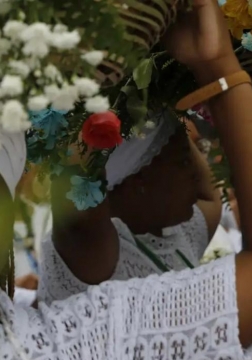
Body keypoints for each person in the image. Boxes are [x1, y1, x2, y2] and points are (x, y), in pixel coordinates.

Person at [0, 1, 252, 360]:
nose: (198, 178)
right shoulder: (85, 278)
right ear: (135, 181)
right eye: (185, 162)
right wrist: (216, 68)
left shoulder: (181, 235)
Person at [38, 111, 222, 302]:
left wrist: (165, 100)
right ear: (140, 177)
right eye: (183, 161)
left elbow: (211, 193)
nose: (197, 174)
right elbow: (75, 185)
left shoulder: (179, 236)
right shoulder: (94, 253)